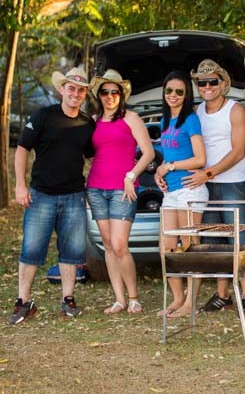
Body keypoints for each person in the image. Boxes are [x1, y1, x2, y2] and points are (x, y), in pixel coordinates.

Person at [9, 67, 95, 324]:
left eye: (81, 90)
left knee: (71, 251)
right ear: (62, 89)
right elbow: (22, 148)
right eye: (71, 88)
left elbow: (92, 157)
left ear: (84, 94)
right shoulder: (43, 115)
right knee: (31, 250)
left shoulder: (87, 123)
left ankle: (68, 300)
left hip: (73, 196)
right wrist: (20, 186)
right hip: (41, 196)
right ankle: (23, 302)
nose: (75, 93)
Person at [183, 59, 245, 317]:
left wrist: (208, 173)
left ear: (223, 83)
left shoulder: (235, 111)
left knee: (241, 239)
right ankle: (223, 295)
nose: (207, 86)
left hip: (232, 183)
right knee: (213, 242)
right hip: (206, 185)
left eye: (212, 81)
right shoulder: (197, 113)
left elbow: (238, 152)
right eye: (202, 82)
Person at [86, 69, 155, 314]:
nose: (110, 96)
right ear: (99, 95)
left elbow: (149, 153)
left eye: (115, 91)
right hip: (95, 188)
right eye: (105, 92)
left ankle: (134, 297)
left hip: (122, 189)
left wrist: (131, 175)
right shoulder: (93, 121)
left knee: (119, 244)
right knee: (107, 243)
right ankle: (119, 299)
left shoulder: (131, 118)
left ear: (121, 94)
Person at [154, 70, 208, 318]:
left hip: (190, 189)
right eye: (169, 91)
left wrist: (171, 167)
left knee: (189, 247)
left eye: (179, 91)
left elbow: (200, 158)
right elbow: (169, 155)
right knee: (166, 248)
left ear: (187, 95)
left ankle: (190, 303)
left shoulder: (191, 119)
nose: (173, 95)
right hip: (172, 192)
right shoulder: (166, 120)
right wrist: (159, 173)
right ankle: (177, 299)